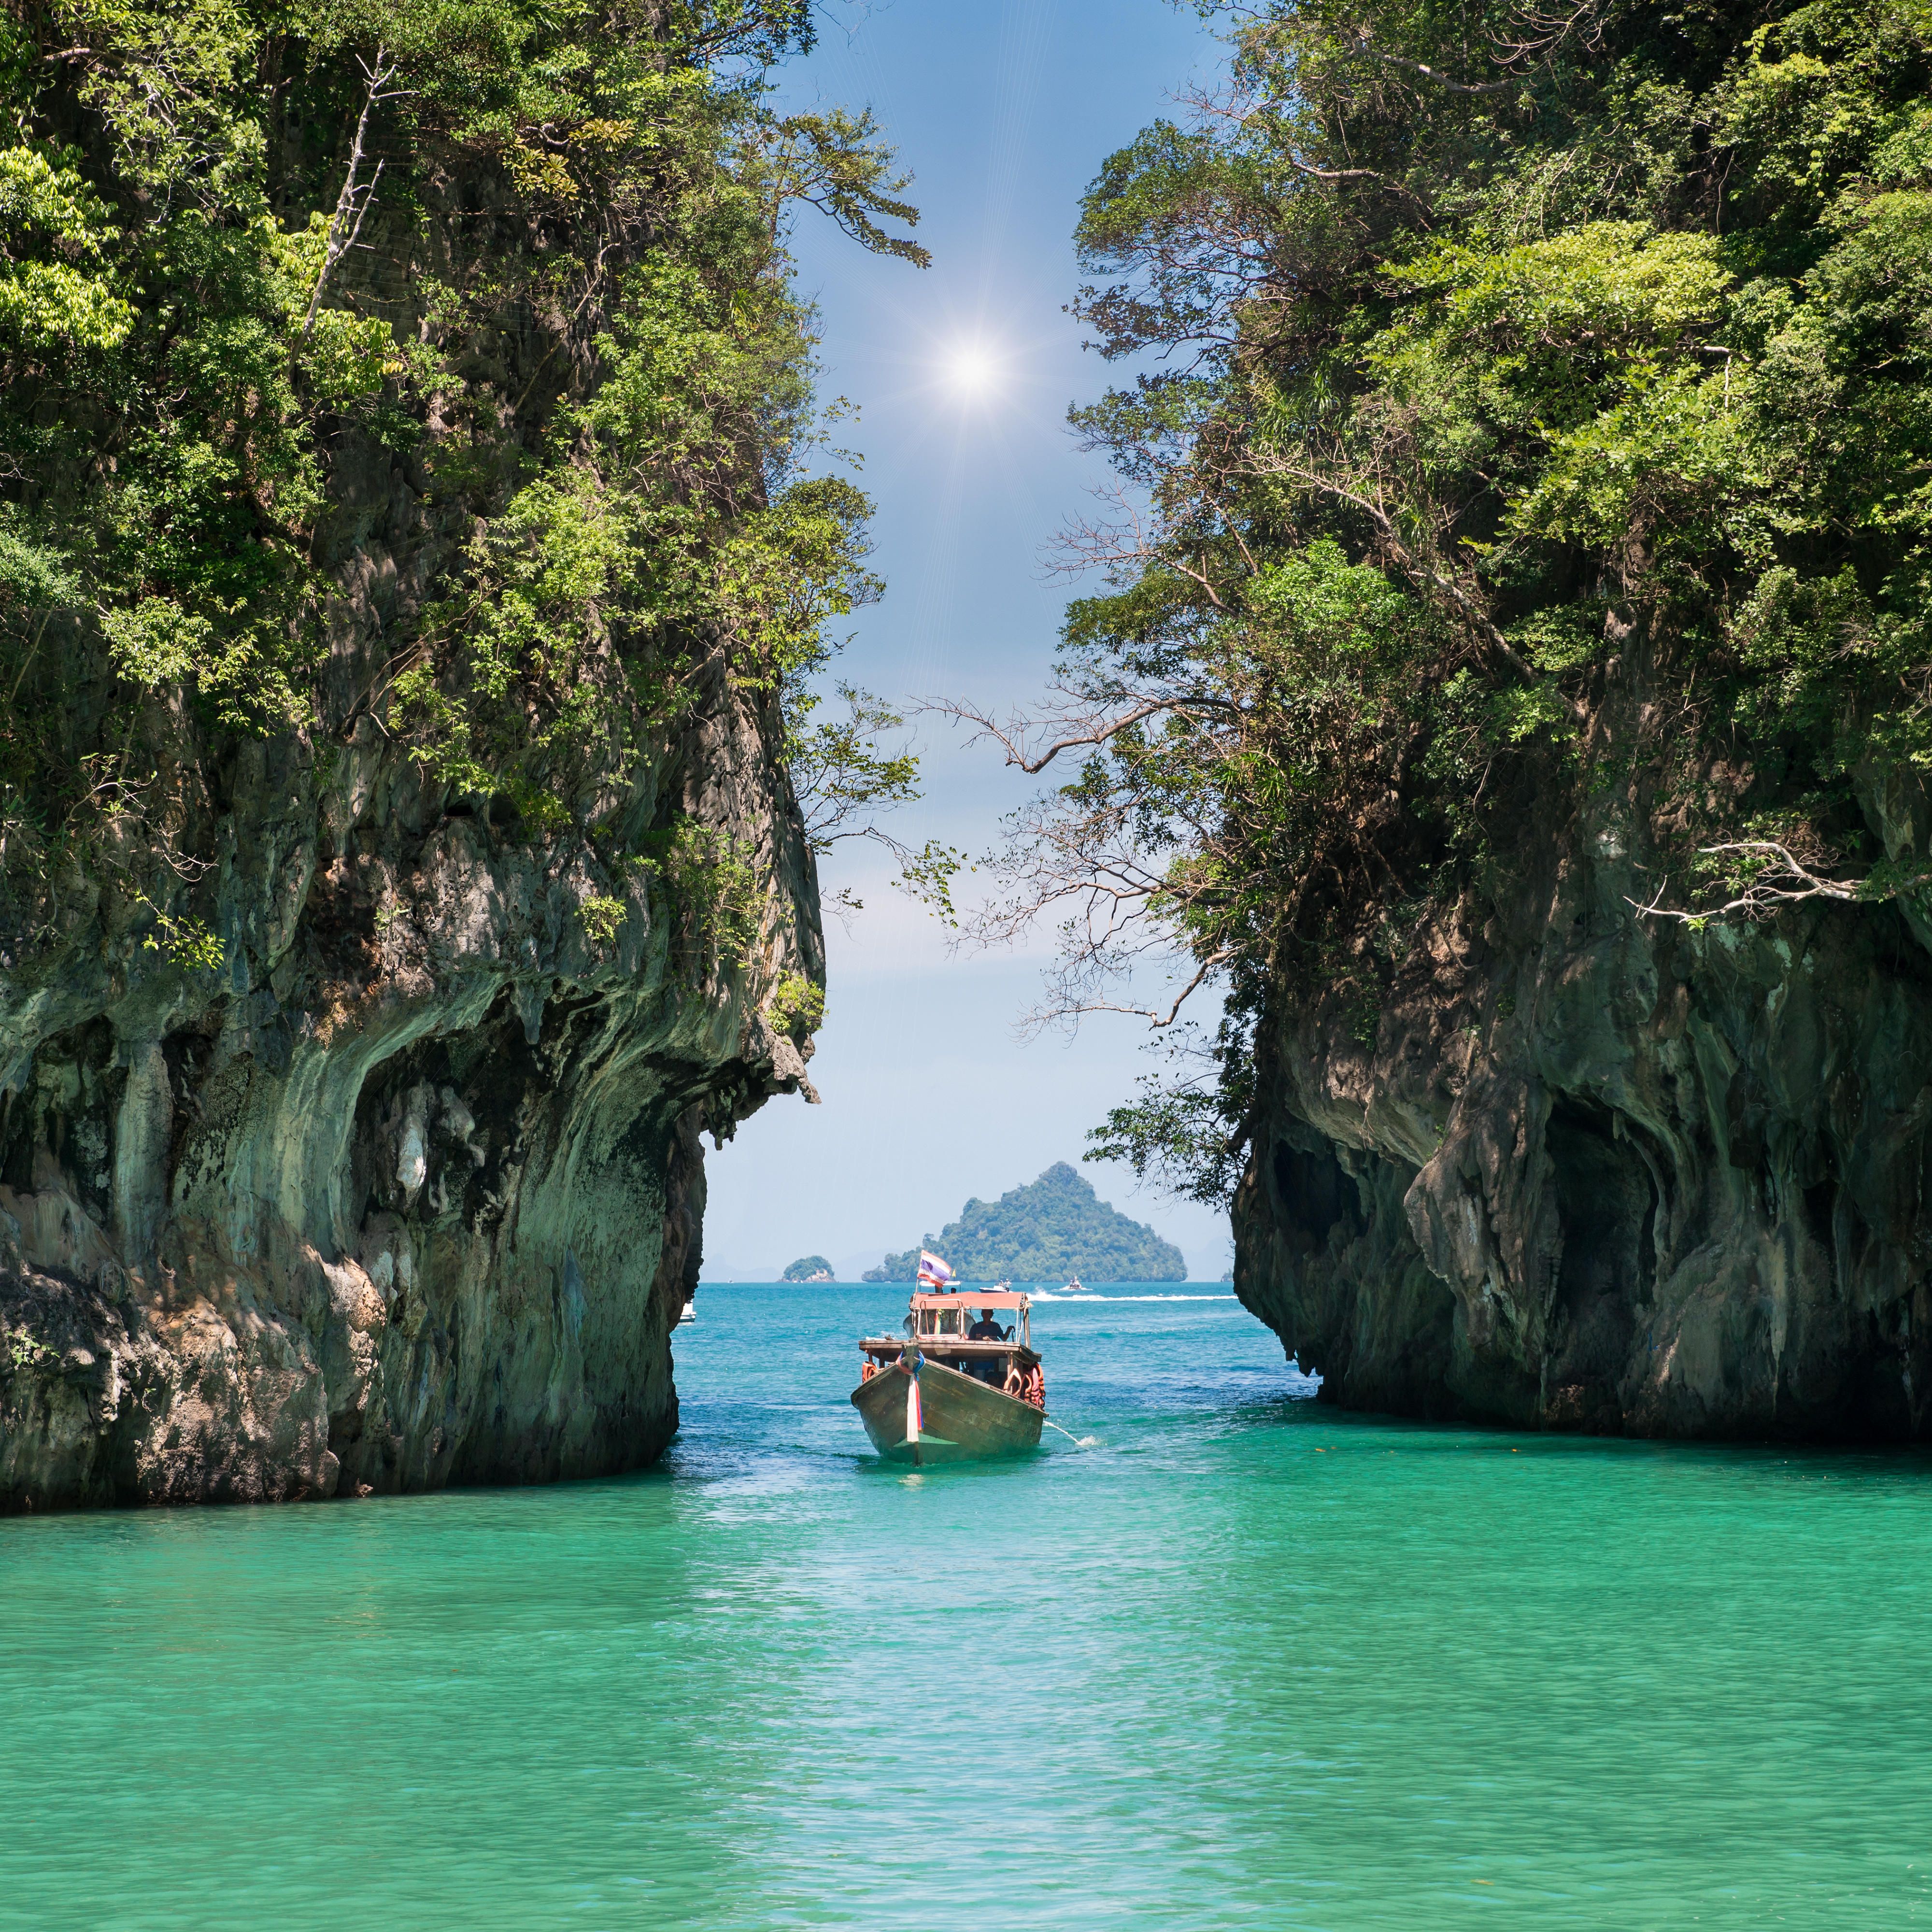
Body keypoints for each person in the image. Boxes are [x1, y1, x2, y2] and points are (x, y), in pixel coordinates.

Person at [966, 1307, 1007, 1382]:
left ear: (992, 1315)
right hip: (979, 1361)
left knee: (992, 1382)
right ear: (982, 1314)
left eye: (988, 1313)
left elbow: (1004, 1338)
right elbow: (970, 1342)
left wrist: (1009, 1330)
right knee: (979, 1383)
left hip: (993, 1360)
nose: (986, 1314)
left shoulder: (996, 1326)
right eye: (984, 1312)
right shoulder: (976, 1327)